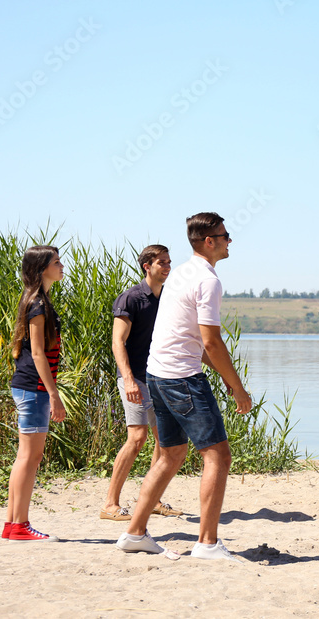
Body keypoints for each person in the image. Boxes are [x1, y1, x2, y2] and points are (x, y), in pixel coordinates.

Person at [115, 212, 252, 561]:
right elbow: (212, 341)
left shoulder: (179, 275)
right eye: (224, 235)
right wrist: (237, 387)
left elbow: (181, 335)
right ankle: (207, 544)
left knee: (171, 454)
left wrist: (219, 373)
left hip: (157, 375)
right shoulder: (208, 280)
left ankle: (134, 532)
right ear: (209, 241)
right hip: (181, 378)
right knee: (218, 455)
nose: (229, 240)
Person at [101, 245, 183, 521]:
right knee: (137, 438)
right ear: (147, 266)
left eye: (169, 262)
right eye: (162, 262)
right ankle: (110, 504)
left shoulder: (168, 299)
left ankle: (153, 499)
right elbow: (117, 342)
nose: (167, 267)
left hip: (158, 378)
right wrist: (128, 380)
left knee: (165, 440)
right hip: (134, 378)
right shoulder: (132, 298)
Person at [3, 245, 67, 541]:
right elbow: (39, 354)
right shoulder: (38, 304)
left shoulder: (37, 299)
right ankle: (19, 525)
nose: (62, 265)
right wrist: (54, 394)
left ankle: (12, 524)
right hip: (34, 387)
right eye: (56, 262)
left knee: (25, 456)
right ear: (42, 268)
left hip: (29, 386)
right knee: (31, 456)